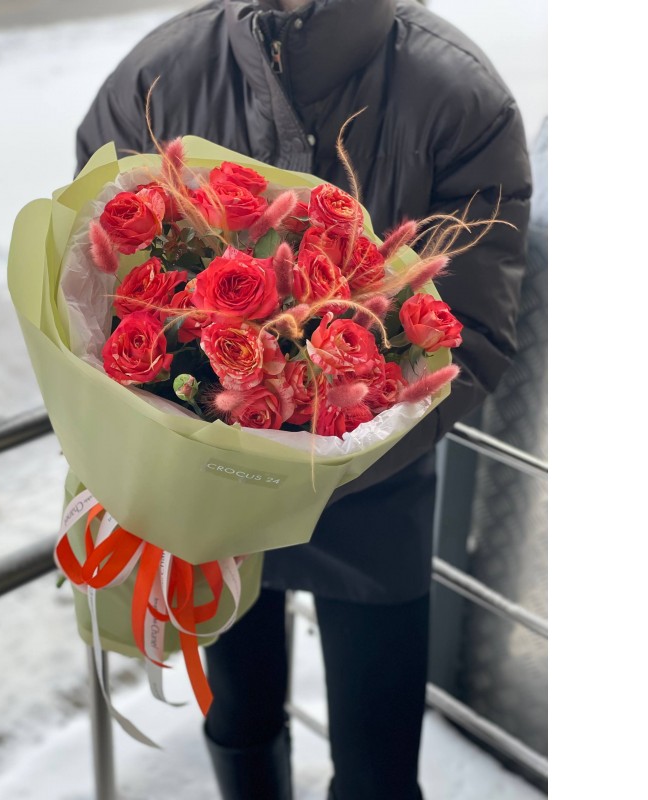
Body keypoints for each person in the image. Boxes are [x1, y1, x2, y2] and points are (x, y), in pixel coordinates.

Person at [76, 1, 531, 797]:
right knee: (238, 718)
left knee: (378, 767)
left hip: (376, 488)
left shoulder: (457, 95)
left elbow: (473, 330)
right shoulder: (157, 76)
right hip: (210, 495)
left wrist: (323, 455)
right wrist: (194, 441)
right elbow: (91, 281)